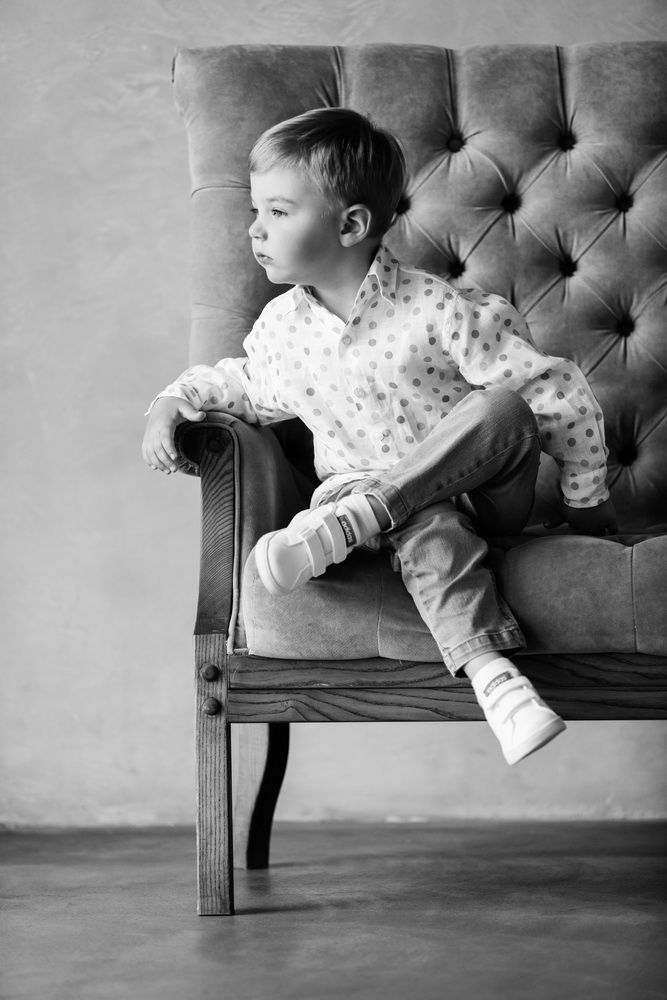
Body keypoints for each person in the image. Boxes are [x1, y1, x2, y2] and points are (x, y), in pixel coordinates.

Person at [143, 108, 617, 766]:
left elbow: (552, 391)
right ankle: (496, 681)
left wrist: (583, 499)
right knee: (430, 532)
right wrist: (171, 402)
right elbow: (242, 385)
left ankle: (365, 514)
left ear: (351, 225)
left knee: (502, 407)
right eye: (256, 212)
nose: (255, 230)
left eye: (278, 212)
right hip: (366, 498)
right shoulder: (284, 330)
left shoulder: (438, 309)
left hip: (475, 495)